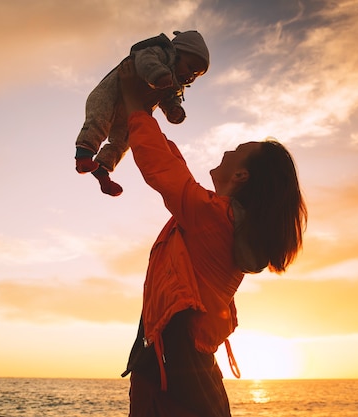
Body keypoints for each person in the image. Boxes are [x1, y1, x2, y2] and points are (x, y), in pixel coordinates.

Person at [117, 57, 308, 417]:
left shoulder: (213, 219)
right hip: (189, 379)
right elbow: (177, 174)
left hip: (172, 382)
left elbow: (163, 170)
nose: (229, 150)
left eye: (239, 150)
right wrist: (145, 112)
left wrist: (134, 104)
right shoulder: (219, 221)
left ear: (242, 176)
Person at [74, 30, 210, 196]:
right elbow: (145, 60)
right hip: (112, 95)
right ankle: (83, 156)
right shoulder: (160, 53)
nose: (190, 75)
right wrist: (158, 75)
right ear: (177, 53)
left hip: (130, 111)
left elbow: (170, 99)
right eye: (190, 67)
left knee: (125, 141)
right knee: (99, 120)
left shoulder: (175, 86)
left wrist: (174, 110)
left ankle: (102, 171)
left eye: (196, 74)